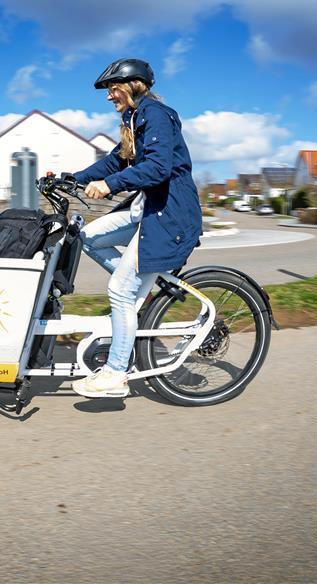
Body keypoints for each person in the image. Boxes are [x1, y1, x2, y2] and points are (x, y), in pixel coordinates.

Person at [67, 58, 202, 398]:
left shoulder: (156, 114)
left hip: (170, 215)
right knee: (87, 237)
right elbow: (117, 160)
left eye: (113, 89)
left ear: (132, 86)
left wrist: (109, 185)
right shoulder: (133, 118)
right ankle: (144, 285)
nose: (109, 97)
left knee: (120, 291)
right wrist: (74, 178)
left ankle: (115, 375)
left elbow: (157, 168)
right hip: (147, 210)